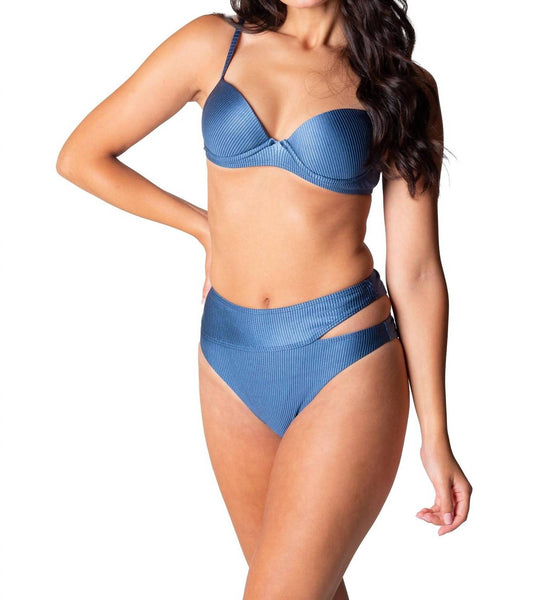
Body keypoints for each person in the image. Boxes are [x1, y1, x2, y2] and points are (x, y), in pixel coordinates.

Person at [56, 1, 473, 598]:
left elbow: (417, 271)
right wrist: (205, 229)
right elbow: (81, 156)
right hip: (229, 359)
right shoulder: (213, 45)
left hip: (344, 357)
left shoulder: (400, 85)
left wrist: (437, 436)